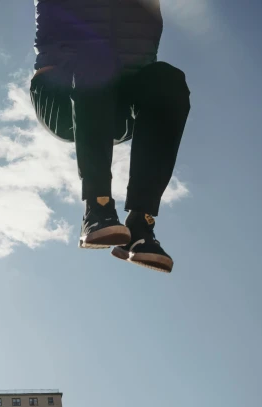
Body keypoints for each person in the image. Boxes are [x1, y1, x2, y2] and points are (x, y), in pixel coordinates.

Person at [29, 0, 190, 273]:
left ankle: (141, 225)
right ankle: (97, 208)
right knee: (96, 56)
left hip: (117, 106)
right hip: (61, 96)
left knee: (168, 78)